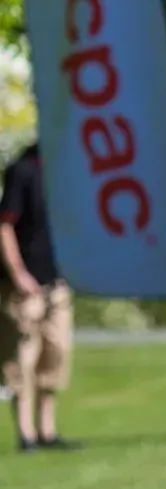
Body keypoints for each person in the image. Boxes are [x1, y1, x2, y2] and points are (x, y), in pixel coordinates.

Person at [0, 143, 79, 452]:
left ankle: (47, 431)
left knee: (56, 353)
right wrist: (18, 272)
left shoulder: (66, 172)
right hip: (24, 285)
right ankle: (25, 433)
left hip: (57, 282)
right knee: (22, 357)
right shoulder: (24, 169)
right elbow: (4, 225)